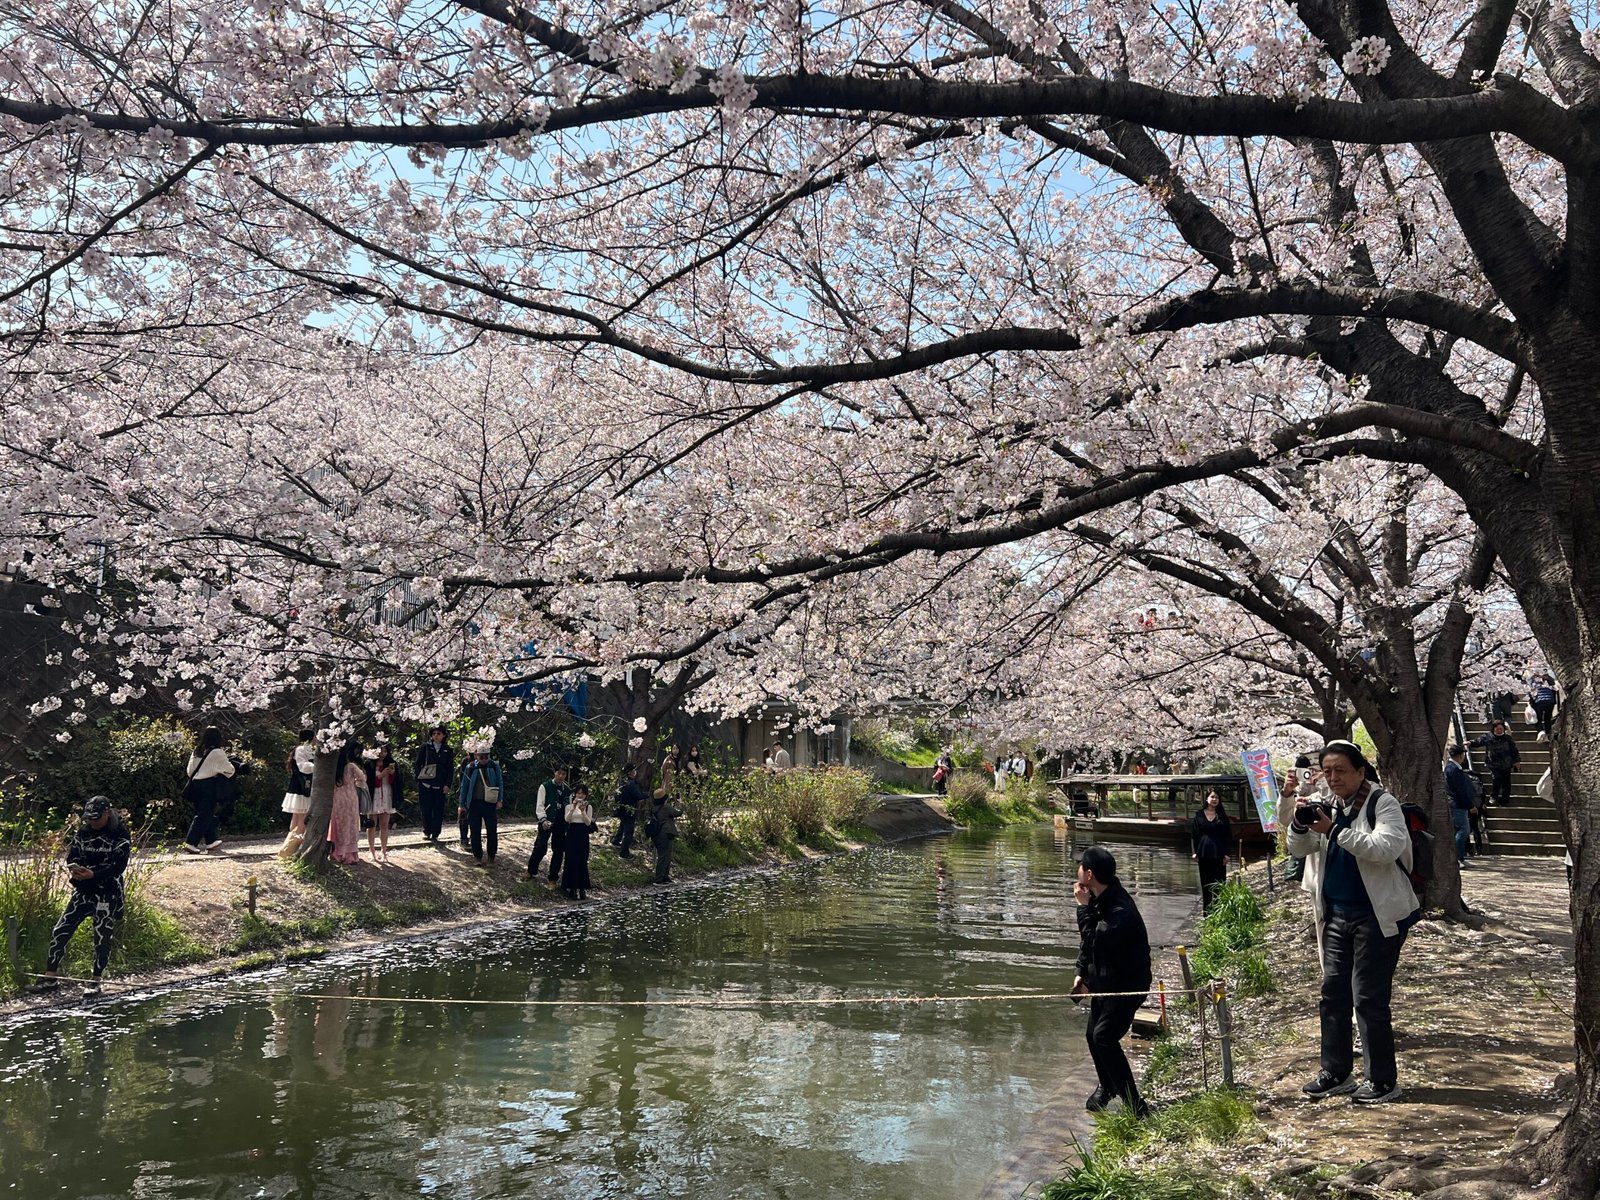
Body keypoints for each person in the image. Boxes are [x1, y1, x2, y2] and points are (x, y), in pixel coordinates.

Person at [1287, 740, 1419, 1105]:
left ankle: (1381, 1079)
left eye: (1340, 770)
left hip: (1378, 916)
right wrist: (1300, 826)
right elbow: (1299, 851)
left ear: (1361, 771)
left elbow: (1386, 848)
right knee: (1333, 994)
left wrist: (1333, 830)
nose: (1333, 778)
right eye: (1327, 771)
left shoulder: (1382, 803)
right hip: (1336, 915)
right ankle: (1335, 1070)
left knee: (1368, 998)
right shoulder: (1329, 803)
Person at [1071, 845, 1152, 1117]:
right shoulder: (1099, 896)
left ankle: (1135, 1106)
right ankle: (1107, 1087)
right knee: (1092, 1036)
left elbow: (1095, 938)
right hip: (1104, 982)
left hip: (1128, 986)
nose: (1077, 870)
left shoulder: (1120, 910)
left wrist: (1082, 909)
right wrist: (1081, 972)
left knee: (1104, 1037)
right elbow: (1089, 947)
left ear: (1090, 874)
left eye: (1081, 866)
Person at [36, 796, 131, 997]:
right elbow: (73, 854)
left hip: (107, 892)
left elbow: (119, 866)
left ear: (107, 814)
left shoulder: (120, 833)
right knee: (61, 929)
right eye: (89, 819)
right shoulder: (84, 830)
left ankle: (96, 980)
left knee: (102, 937)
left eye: (96, 819)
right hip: (83, 890)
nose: (92, 823)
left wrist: (94, 874)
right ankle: (50, 978)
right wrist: (74, 867)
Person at [183, 726, 236, 854]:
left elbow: (189, 771)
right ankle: (191, 842)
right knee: (204, 814)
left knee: (204, 813)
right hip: (209, 785)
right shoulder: (217, 752)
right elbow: (230, 770)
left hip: (195, 785)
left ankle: (211, 840)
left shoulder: (197, 750)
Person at [458, 747, 505, 867]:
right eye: (481, 756)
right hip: (474, 802)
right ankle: (477, 856)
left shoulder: (494, 766)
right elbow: (465, 786)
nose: (484, 759)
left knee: (492, 830)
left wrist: (499, 799)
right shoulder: (471, 767)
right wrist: (462, 804)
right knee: (474, 831)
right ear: (476, 755)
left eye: (486, 756)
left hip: (490, 802)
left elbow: (500, 782)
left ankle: (491, 856)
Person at [1190, 790, 1232, 913]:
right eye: (1212, 797)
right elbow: (1194, 835)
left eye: (1217, 797)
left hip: (1219, 853)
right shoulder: (1199, 815)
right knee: (1206, 883)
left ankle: (1219, 911)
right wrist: (1194, 852)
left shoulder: (1222, 816)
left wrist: (1227, 854)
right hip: (1203, 853)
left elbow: (1228, 836)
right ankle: (1207, 912)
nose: (1214, 799)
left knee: (1219, 882)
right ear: (1207, 799)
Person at [527, 766, 570, 881]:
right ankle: (531, 871)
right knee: (540, 847)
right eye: (559, 773)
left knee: (559, 850)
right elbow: (540, 805)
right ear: (555, 773)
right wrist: (543, 819)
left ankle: (553, 878)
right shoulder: (545, 786)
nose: (561, 776)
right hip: (546, 820)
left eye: (563, 774)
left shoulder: (567, 790)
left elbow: (568, 807)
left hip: (561, 822)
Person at [279, 728, 316, 859]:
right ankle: (292, 849)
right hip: (301, 788)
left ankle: (289, 848)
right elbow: (303, 767)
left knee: (297, 818)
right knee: (301, 819)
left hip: (301, 787)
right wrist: (318, 766)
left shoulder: (304, 749)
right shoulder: (302, 749)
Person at [413, 726, 454, 843]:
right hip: (425, 783)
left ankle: (435, 833)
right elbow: (417, 764)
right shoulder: (425, 747)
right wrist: (418, 779)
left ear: (443, 735)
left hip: (440, 784)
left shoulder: (447, 749)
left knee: (438, 809)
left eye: (439, 733)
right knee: (426, 808)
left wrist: (448, 784)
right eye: (434, 733)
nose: (436, 735)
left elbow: (450, 769)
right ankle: (427, 831)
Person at [327, 744, 365, 866]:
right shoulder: (351, 766)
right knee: (351, 824)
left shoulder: (332, 767)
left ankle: (337, 852)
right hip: (351, 797)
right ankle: (350, 854)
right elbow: (362, 778)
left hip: (337, 797)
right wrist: (356, 783)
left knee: (338, 824)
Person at [1470, 719, 1520, 807]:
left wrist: (1516, 761)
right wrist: (1470, 743)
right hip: (1493, 764)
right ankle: (1494, 796)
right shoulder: (1487, 737)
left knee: (1506, 783)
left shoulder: (1508, 738)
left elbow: (1514, 751)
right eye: (1497, 728)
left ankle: (1505, 800)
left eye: (1501, 728)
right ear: (1493, 729)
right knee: (1496, 779)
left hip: (1506, 764)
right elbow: (1478, 742)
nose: (1499, 730)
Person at [1444, 745, 1479, 868]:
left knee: (1460, 830)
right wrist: (1470, 805)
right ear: (1460, 755)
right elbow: (1459, 790)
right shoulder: (1453, 769)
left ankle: (1460, 857)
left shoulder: (1453, 768)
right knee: (1463, 830)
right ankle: (1458, 857)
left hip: (1457, 803)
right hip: (1457, 804)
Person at [562, 784, 595, 900]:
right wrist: (573, 808)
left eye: (582, 793)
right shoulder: (569, 806)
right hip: (572, 834)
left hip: (582, 834)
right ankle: (572, 888)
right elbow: (567, 819)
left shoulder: (588, 807)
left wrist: (583, 811)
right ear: (575, 794)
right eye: (578, 793)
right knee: (571, 860)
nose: (580, 795)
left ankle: (582, 888)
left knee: (582, 860)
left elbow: (588, 822)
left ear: (585, 795)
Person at [366, 747, 398, 863]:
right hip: (374, 794)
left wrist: (392, 774)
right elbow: (367, 781)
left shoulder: (391, 763)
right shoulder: (369, 764)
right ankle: (371, 850)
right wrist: (380, 775)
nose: (382, 754)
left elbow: (397, 782)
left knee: (384, 825)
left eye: (384, 751)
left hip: (387, 793)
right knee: (372, 825)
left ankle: (384, 851)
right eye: (379, 751)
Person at [611, 763, 645, 858]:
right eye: (634, 771)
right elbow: (638, 796)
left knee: (622, 826)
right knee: (628, 832)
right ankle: (624, 853)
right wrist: (646, 795)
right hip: (629, 810)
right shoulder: (631, 784)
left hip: (621, 809)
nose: (635, 772)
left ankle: (616, 840)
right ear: (630, 773)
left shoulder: (621, 781)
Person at [649, 793, 683, 885]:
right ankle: (659, 879)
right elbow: (678, 813)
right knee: (664, 857)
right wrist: (680, 804)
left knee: (665, 856)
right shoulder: (665, 808)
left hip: (656, 834)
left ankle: (665, 877)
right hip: (665, 834)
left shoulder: (653, 808)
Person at [1529, 674, 1559, 742]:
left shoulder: (1533, 679)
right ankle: (1548, 734)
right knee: (1547, 719)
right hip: (1549, 701)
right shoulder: (1549, 678)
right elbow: (1555, 689)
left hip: (1538, 701)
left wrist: (1531, 702)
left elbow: (1530, 691)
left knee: (1538, 719)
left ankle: (1541, 731)